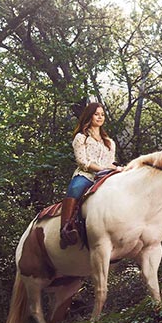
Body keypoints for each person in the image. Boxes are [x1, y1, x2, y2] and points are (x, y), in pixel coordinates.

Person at [60, 102, 122, 248]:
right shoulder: (81, 138)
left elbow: (110, 162)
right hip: (86, 175)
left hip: (106, 176)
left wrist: (119, 169)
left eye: (102, 115)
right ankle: (65, 230)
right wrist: (101, 169)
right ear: (90, 116)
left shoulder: (110, 142)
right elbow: (82, 162)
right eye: (96, 114)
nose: (100, 117)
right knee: (75, 189)